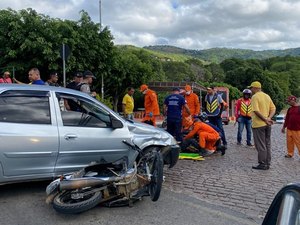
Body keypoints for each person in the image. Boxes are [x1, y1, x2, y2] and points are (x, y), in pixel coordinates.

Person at [249, 81, 276, 170]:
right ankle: (268, 163)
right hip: (267, 124)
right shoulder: (267, 96)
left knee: (260, 145)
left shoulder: (255, 97)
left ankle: (262, 164)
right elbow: (273, 108)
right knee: (267, 144)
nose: (251, 90)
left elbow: (256, 111)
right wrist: (268, 118)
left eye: (251, 88)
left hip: (258, 124)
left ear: (256, 88)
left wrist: (265, 119)